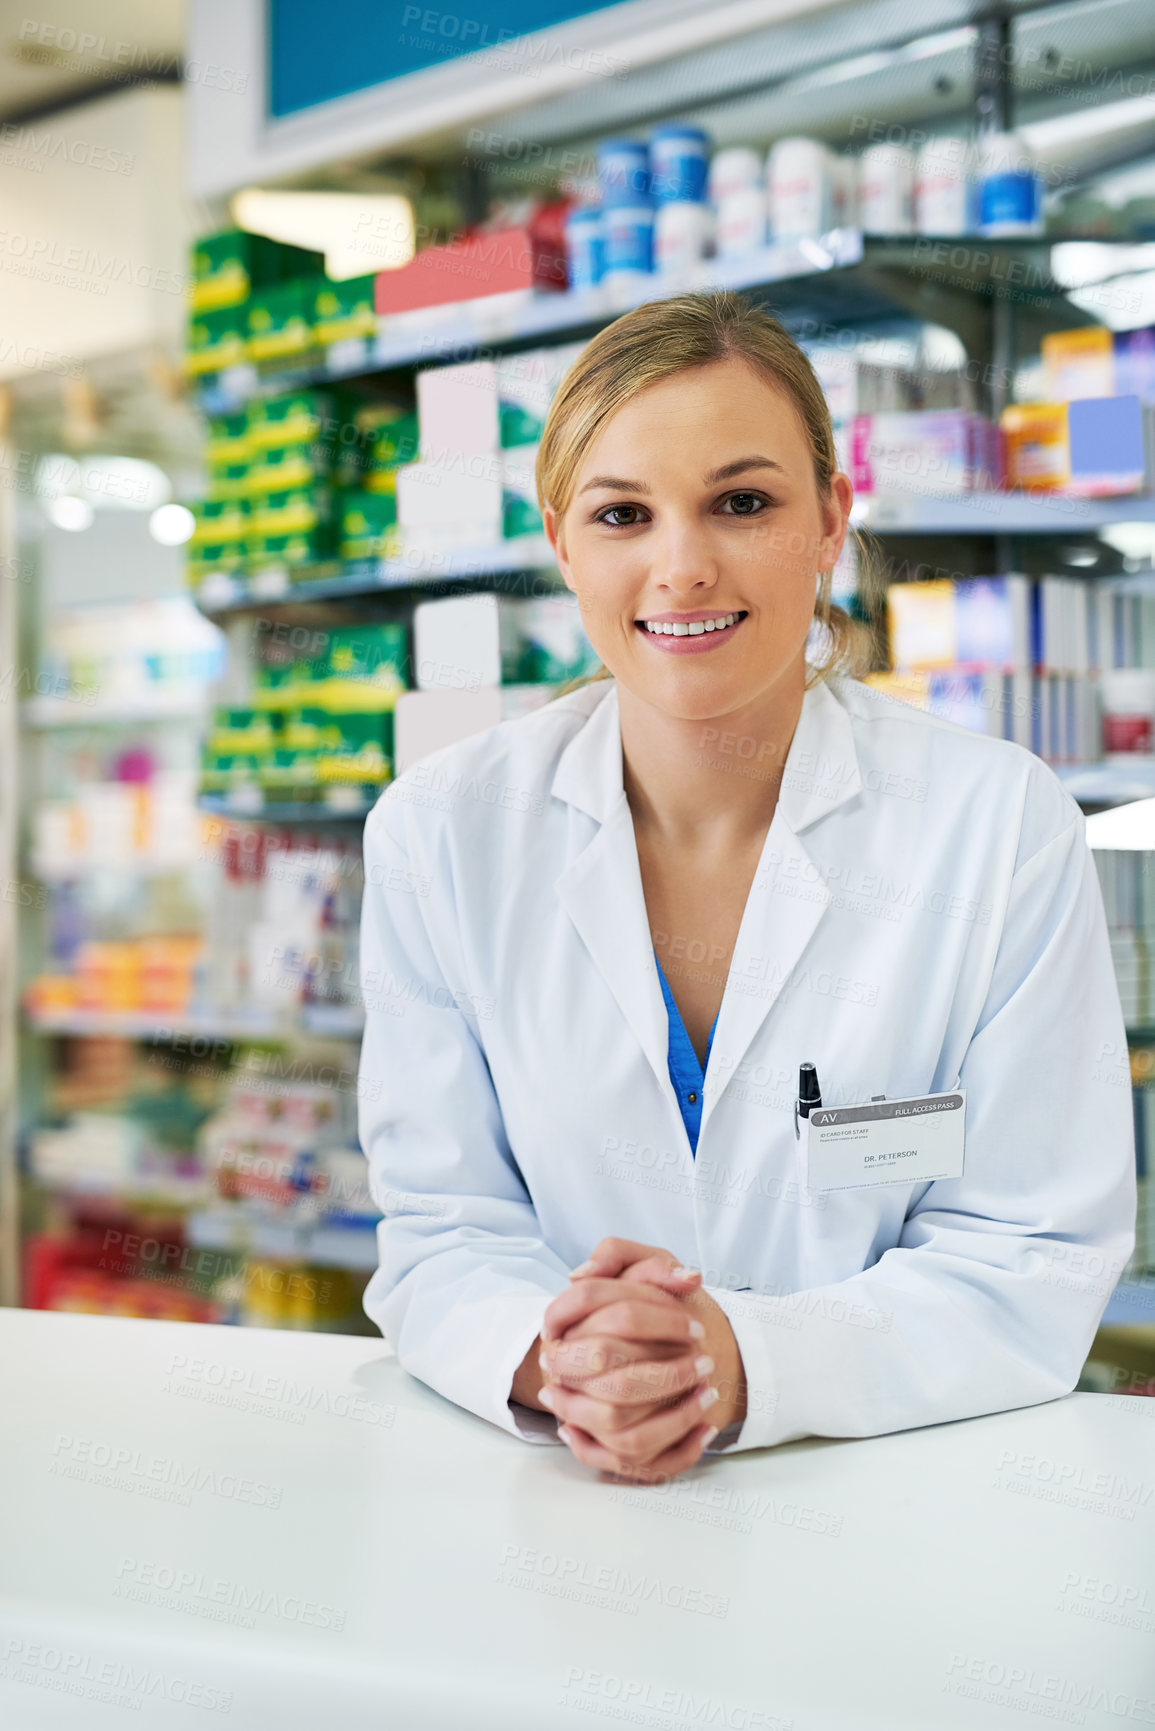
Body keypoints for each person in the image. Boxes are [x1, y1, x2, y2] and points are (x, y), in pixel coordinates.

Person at [357, 289, 1135, 1484]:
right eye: (625, 513)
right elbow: (443, 1227)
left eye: (742, 502)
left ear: (829, 520)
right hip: (566, 1509)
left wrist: (743, 1357)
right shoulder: (444, 834)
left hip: (907, 1507)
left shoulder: (996, 822)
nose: (682, 567)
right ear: (563, 541)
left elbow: (1030, 1252)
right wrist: (566, 1360)